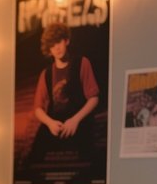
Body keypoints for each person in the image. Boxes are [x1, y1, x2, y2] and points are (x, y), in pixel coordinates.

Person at [21, 22, 99, 171]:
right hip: (54, 124)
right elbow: (38, 108)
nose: (56, 47)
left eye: (59, 42)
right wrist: (50, 123)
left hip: (79, 121)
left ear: (66, 41)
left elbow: (94, 98)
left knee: (89, 165)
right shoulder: (46, 73)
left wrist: (75, 120)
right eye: (52, 45)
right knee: (32, 163)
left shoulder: (82, 63)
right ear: (48, 49)